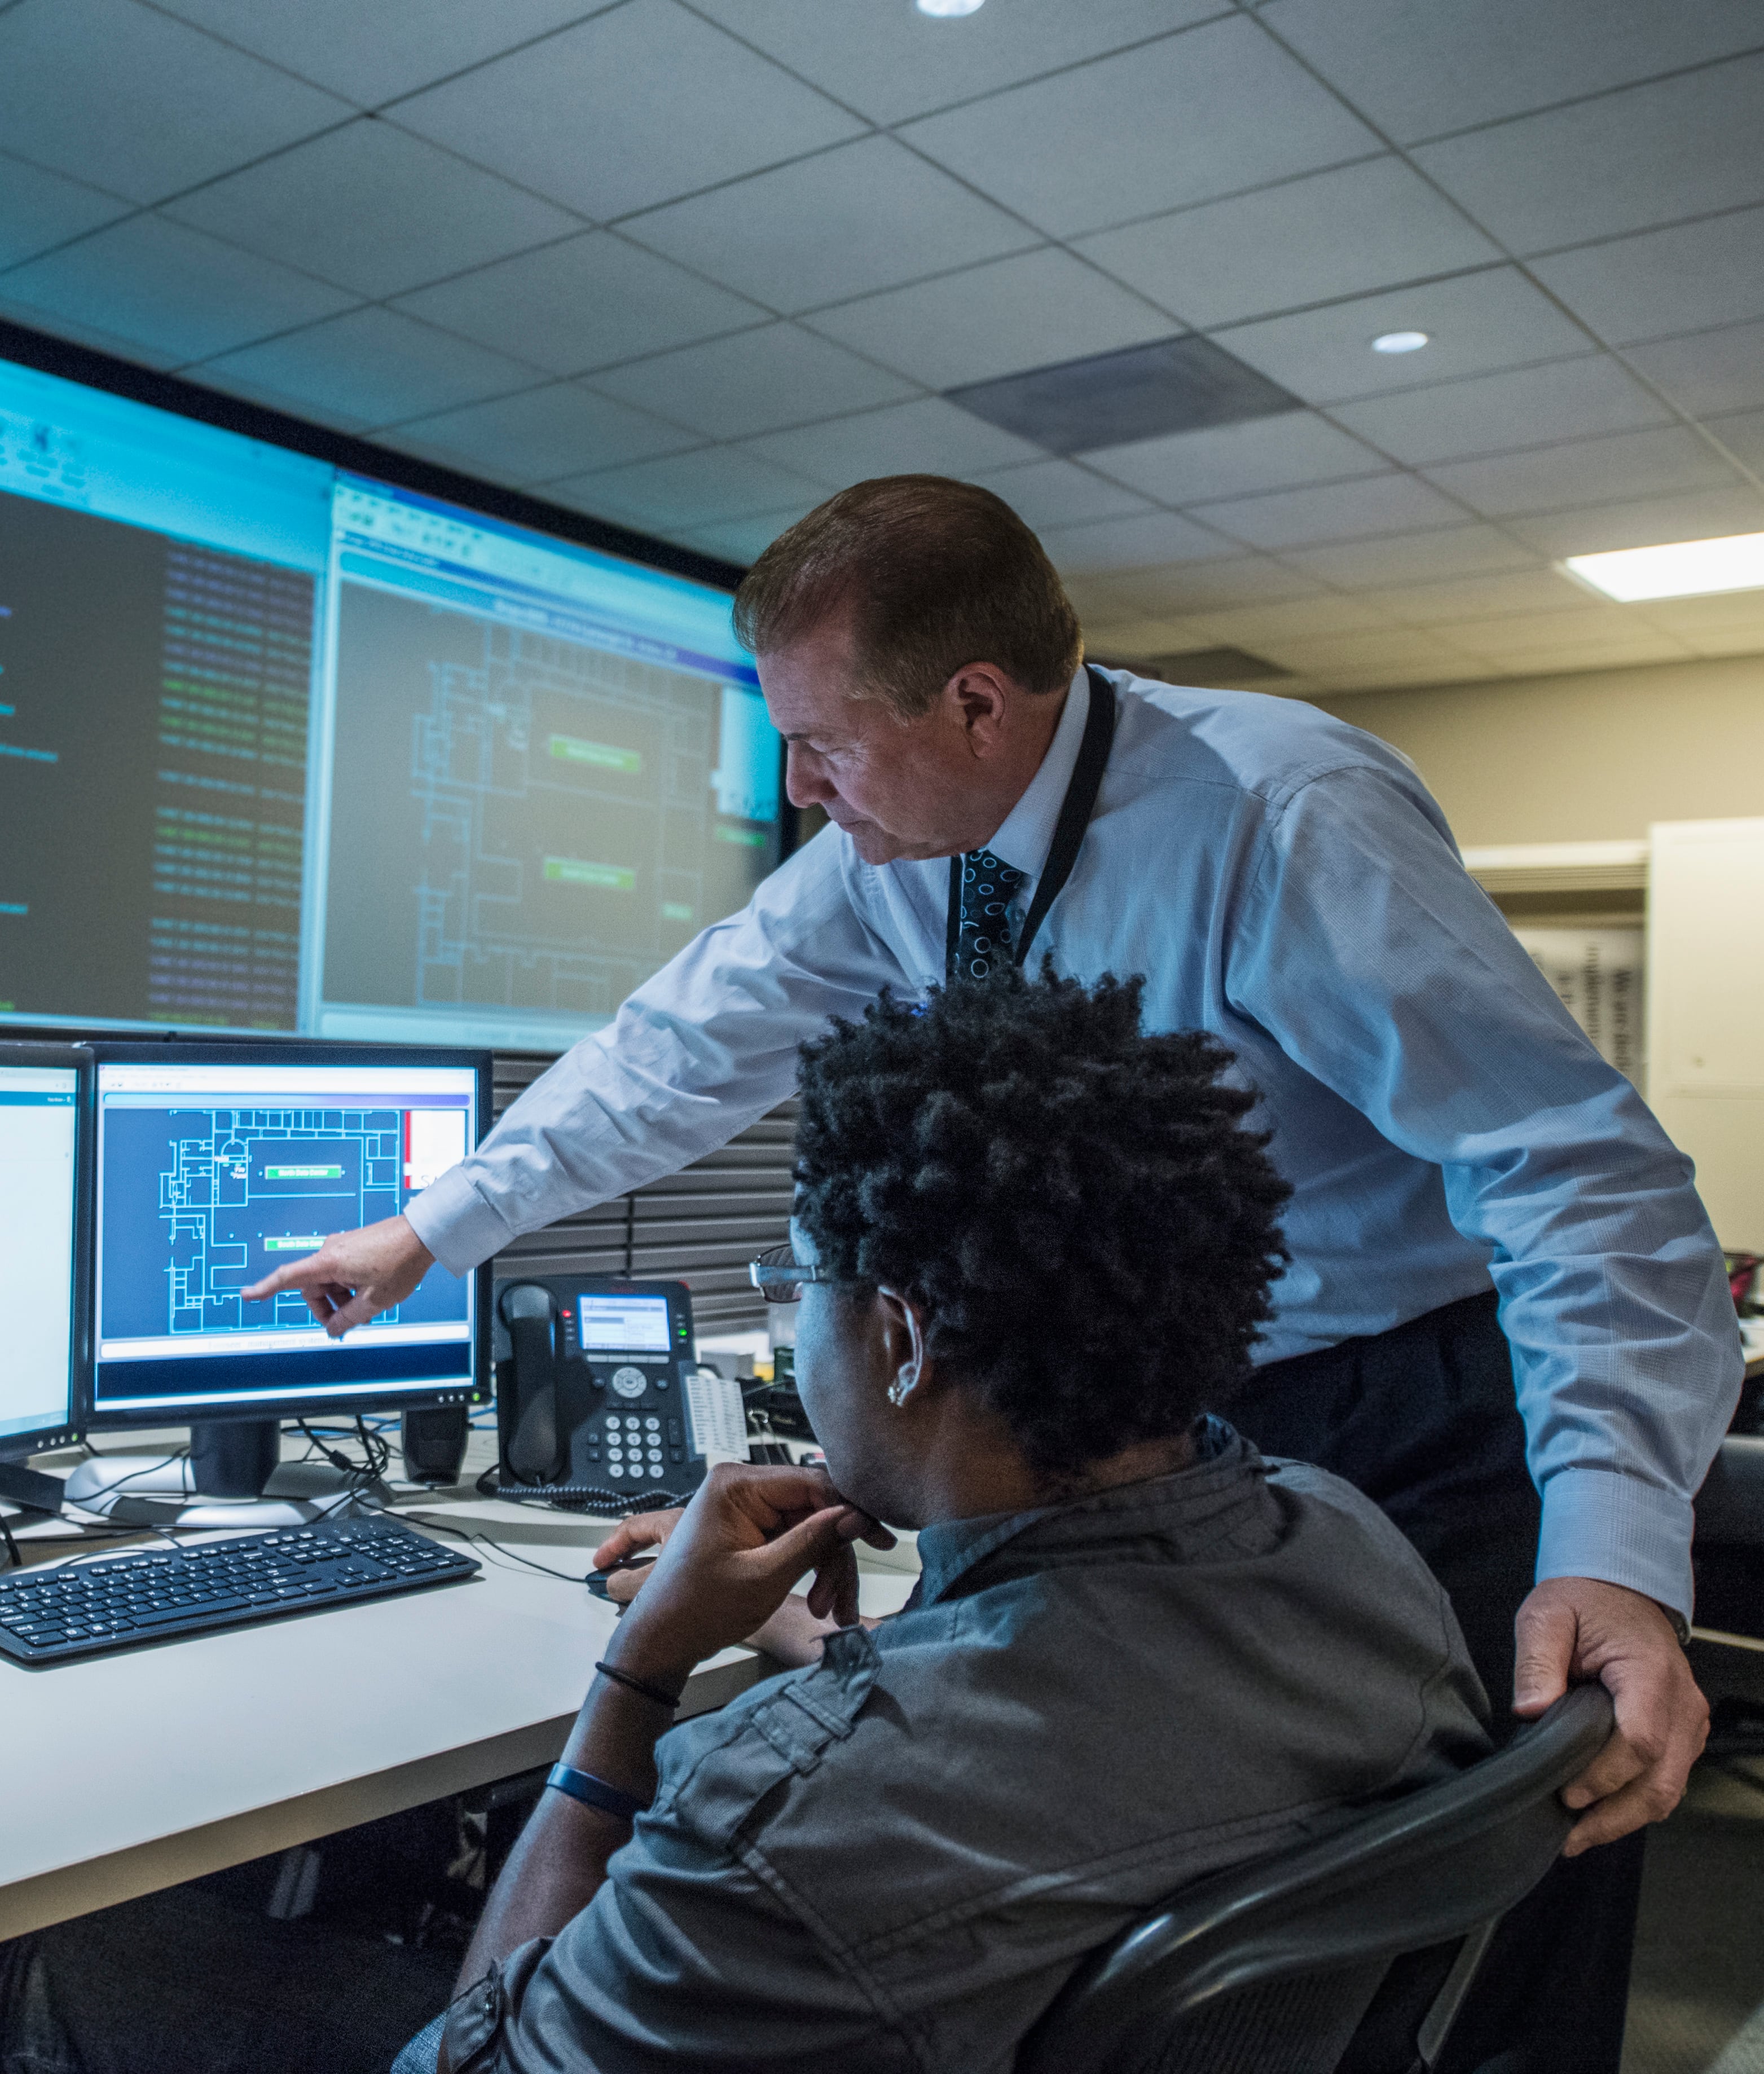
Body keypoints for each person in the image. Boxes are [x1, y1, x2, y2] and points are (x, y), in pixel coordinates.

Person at [253, 475, 1737, 2068]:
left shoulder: (1282, 814)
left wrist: (1615, 1547)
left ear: (974, 702)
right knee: (1178, 1895)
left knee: (1486, 1908)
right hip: (1176, 1431)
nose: (798, 787)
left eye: (821, 741)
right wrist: (436, 1225)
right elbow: (680, 1043)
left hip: (1415, 1416)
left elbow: (1574, 1169)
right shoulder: (903, 845)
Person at [410, 972, 1491, 2073]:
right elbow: (1079, 1693)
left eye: (797, 1282)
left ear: (901, 1339)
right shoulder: (1355, 1551)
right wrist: (802, 1637)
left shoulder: (785, 1819)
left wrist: (640, 1672)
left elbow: (472, 2061)